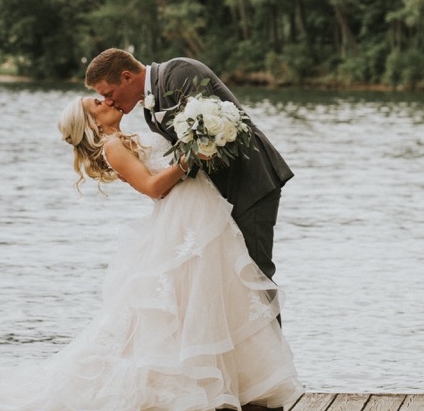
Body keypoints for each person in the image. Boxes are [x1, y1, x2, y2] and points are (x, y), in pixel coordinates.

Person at [0, 95, 301, 411]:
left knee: (213, 297)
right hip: (183, 223)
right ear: (91, 123)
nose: (105, 100)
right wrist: (190, 157)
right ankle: (210, 388)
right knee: (187, 304)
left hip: (198, 216)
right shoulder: (114, 147)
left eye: (101, 97)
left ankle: (234, 388)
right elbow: (154, 188)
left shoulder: (129, 136)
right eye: (96, 103)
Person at [85, 48, 293, 286]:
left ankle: (270, 326)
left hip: (249, 183)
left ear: (126, 77)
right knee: (228, 283)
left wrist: (163, 176)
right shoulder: (149, 110)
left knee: (255, 277)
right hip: (215, 197)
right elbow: (183, 151)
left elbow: (207, 136)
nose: (110, 101)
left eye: (109, 93)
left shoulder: (180, 72)